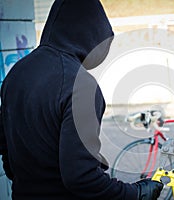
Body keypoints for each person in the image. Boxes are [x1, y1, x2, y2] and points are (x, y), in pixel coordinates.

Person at [0, 0, 163, 199]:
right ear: (92, 36)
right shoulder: (81, 86)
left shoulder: (16, 72)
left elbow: (7, 151)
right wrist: (136, 193)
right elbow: (83, 178)